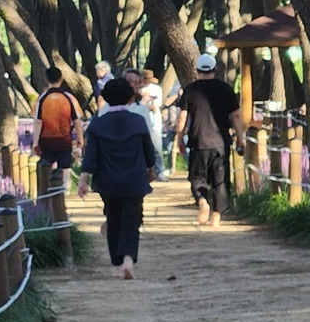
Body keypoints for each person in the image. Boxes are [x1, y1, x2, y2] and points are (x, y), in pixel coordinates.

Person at [80, 75, 158, 278]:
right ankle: (128, 259)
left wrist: (83, 180)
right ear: (130, 97)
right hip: (134, 179)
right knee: (132, 220)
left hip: (108, 181)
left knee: (113, 219)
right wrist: (150, 169)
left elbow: (90, 156)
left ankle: (117, 262)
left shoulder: (97, 124)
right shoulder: (138, 121)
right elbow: (148, 151)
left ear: (105, 98)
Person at [173, 52, 245, 227]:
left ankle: (202, 201)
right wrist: (240, 138)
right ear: (215, 69)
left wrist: (179, 138)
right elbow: (236, 115)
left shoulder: (190, 90)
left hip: (198, 141)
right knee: (220, 179)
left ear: (197, 70)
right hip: (220, 142)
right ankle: (216, 215)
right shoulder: (226, 89)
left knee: (198, 176)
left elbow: (182, 117)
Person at [33, 66, 82, 200]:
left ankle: (47, 196)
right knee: (65, 168)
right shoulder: (69, 98)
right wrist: (80, 138)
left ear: (46, 79)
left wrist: (35, 143)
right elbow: (77, 120)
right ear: (61, 79)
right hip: (64, 140)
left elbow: (38, 122)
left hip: (46, 141)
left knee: (46, 168)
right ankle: (65, 194)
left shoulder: (42, 99)